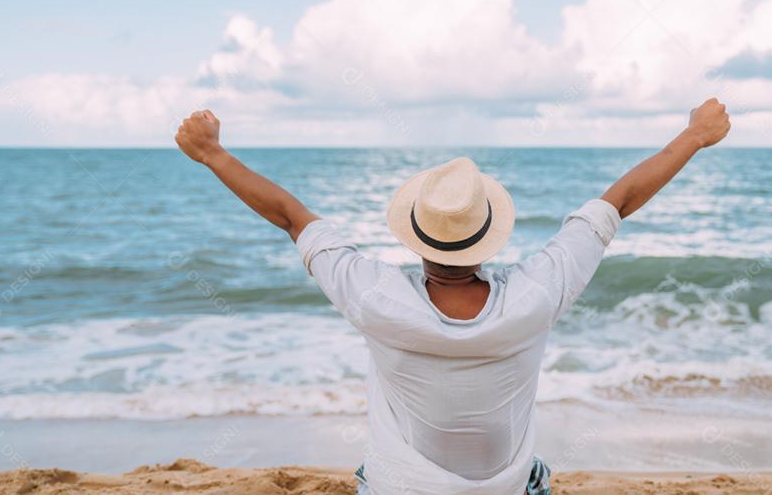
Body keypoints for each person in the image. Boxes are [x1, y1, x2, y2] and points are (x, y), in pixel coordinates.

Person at [174, 98, 730, 494]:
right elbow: (618, 202)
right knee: (535, 474)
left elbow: (290, 217)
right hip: (506, 490)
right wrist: (695, 136)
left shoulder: (375, 297)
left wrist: (213, 155)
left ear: (416, 237)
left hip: (399, 489)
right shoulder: (537, 295)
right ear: (488, 235)